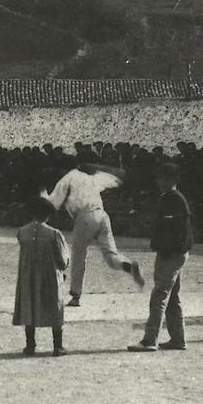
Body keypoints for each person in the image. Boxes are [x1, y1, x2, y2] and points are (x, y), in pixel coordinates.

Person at [40, 151, 145, 308]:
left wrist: (41, 192)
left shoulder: (68, 177)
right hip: (102, 215)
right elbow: (114, 179)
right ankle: (127, 265)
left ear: (63, 168)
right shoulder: (89, 176)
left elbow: (53, 203)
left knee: (79, 257)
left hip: (85, 218)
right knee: (111, 255)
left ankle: (75, 296)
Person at [129, 164, 193, 352]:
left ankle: (150, 339)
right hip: (173, 253)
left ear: (172, 179)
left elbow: (177, 232)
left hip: (170, 254)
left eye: (163, 178)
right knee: (172, 297)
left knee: (159, 295)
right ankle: (177, 338)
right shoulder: (172, 198)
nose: (159, 182)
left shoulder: (173, 200)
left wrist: (165, 250)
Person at [12, 197, 69, 357]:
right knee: (55, 307)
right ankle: (57, 346)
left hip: (28, 275)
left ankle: (30, 345)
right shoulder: (54, 234)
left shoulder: (22, 232)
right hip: (50, 275)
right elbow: (63, 260)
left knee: (29, 305)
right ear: (47, 215)